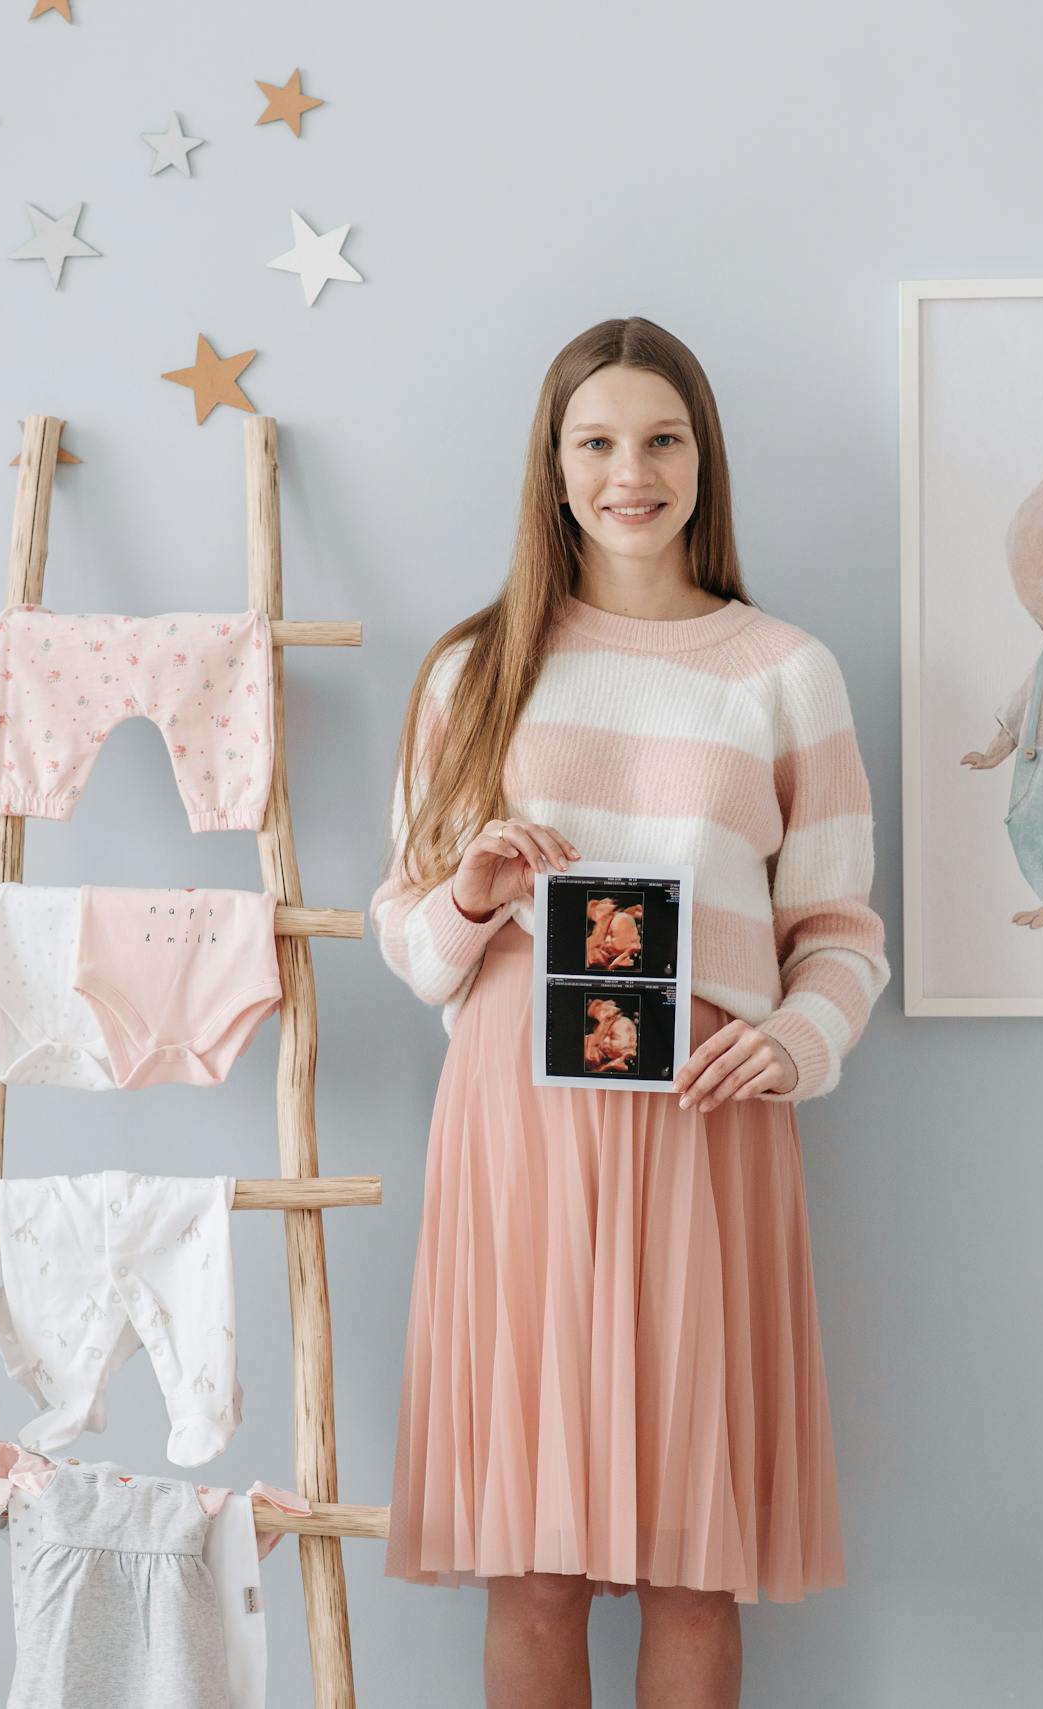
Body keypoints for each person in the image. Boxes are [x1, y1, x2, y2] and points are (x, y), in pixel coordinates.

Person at [370, 316, 889, 1707]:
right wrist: (474, 895)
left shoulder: (785, 671)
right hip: (517, 1131)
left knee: (690, 1572)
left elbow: (840, 931)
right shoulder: (471, 671)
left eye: (661, 439)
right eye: (596, 441)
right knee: (530, 1573)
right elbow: (409, 934)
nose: (630, 471)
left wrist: (793, 1037)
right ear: (553, 466)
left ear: (703, 461)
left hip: (702, 1133)